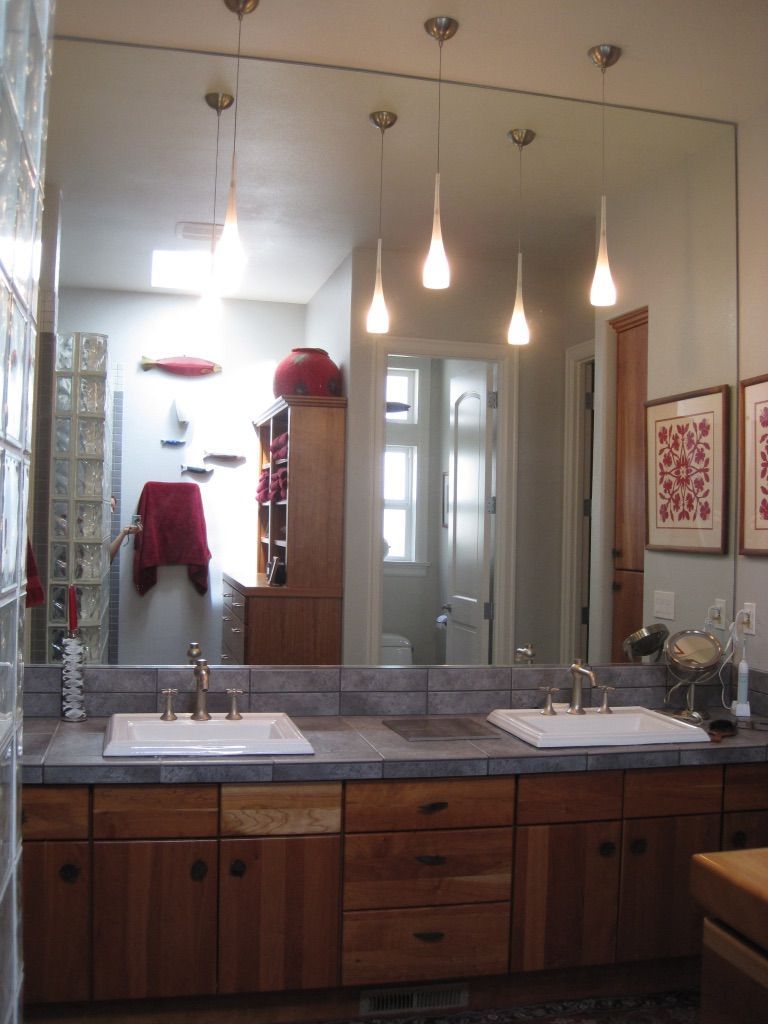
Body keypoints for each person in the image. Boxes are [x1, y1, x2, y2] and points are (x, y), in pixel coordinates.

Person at [109, 496, 142, 563]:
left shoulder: (107, 529)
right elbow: (108, 558)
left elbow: (108, 558)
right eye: (109, 506)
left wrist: (124, 532)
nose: (112, 511)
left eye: (113, 508)